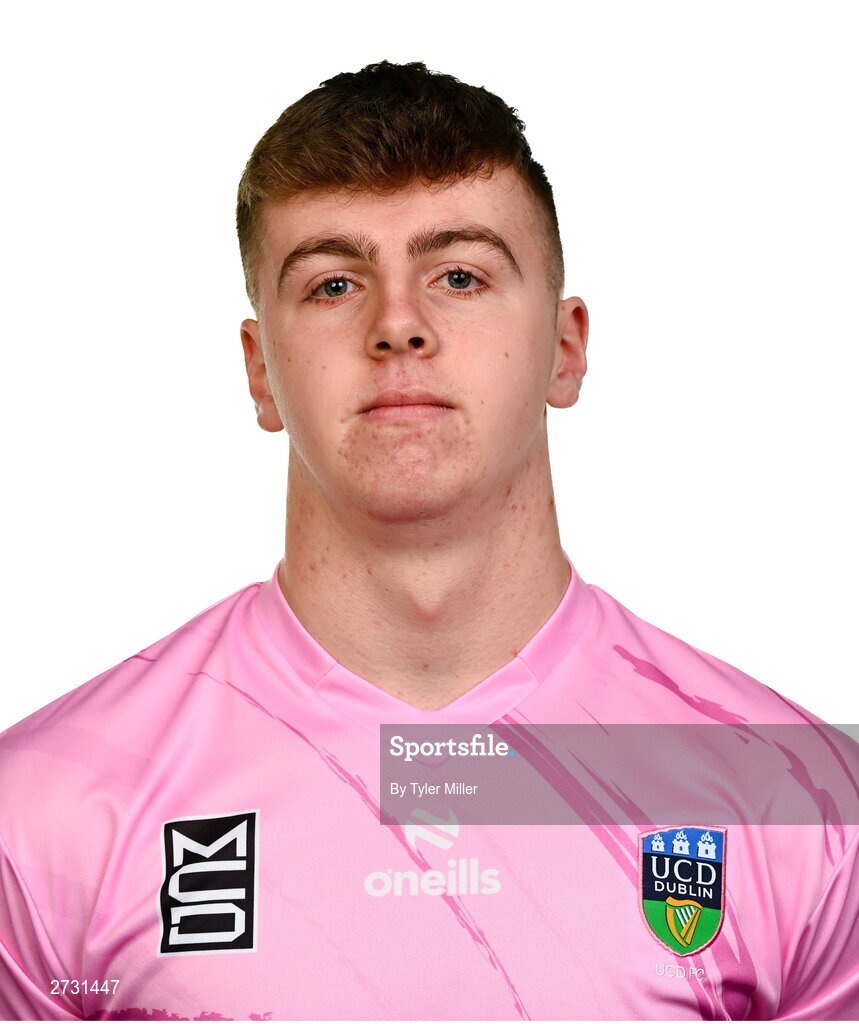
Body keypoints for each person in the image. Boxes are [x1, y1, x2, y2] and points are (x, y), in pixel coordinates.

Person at [0, 60, 856, 1021]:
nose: (398, 324)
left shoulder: (803, 808)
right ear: (260, 371)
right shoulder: (43, 815)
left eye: (458, 276)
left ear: (565, 348)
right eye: (333, 283)